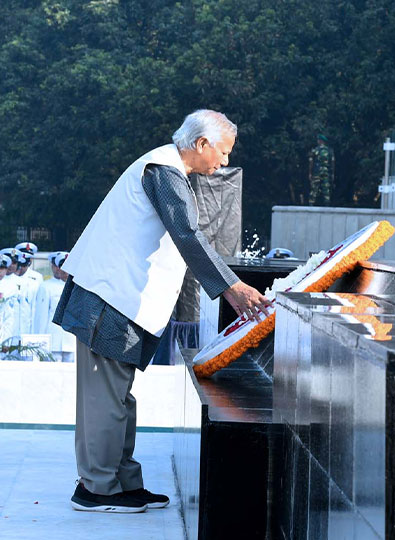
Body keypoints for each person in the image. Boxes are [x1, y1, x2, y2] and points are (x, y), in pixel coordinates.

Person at [55, 109, 271, 513]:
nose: (225, 162)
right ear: (201, 144)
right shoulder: (164, 170)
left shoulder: (167, 169)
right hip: (109, 300)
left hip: (118, 301)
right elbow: (187, 234)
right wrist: (232, 287)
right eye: (222, 152)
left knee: (118, 397)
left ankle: (122, 482)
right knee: (105, 398)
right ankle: (96, 488)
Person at [33, 251, 76, 362]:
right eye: (62, 266)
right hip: (53, 341)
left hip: (72, 340)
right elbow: (41, 317)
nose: (65, 270)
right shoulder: (46, 287)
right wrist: (40, 341)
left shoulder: (78, 287)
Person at [308, 134, 334, 206]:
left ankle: (311, 204)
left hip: (317, 172)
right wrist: (332, 174)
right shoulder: (329, 151)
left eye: (318, 140)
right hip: (326, 172)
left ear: (320, 141)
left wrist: (310, 173)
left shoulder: (315, 150)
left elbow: (311, 162)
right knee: (326, 189)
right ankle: (327, 204)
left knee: (314, 188)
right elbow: (332, 163)